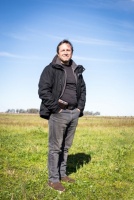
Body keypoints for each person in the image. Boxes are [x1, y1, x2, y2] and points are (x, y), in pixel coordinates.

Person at [38, 39, 86, 193]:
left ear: (72, 52)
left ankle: (63, 174)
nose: (66, 52)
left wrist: (79, 108)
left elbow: (83, 91)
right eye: (63, 50)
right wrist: (56, 108)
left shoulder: (76, 70)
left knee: (65, 147)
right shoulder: (51, 69)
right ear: (58, 52)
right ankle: (53, 180)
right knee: (55, 148)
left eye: (68, 50)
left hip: (73, 113)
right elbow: (43, 91)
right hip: (59, 113)